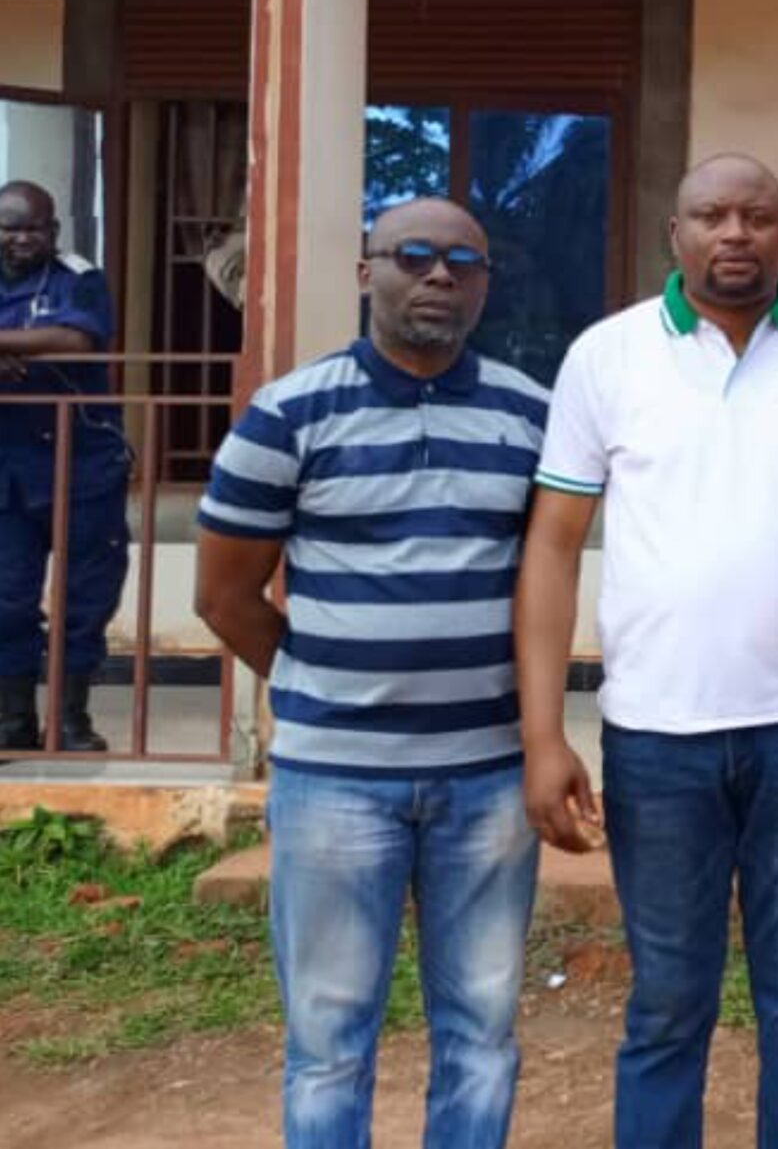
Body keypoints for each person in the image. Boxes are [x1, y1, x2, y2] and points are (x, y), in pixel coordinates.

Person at [515, 152, 778, 1149]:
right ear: (677, 233)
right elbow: (554, 546)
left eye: (757, 216)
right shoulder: (607, 356)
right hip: (657, 735)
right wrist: (544, 734)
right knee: (667, 1001)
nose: (734, 233)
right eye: (711, 214)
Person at [194, 198, 549, 1147]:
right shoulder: (289, 414)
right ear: (367, 273)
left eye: (463, 262)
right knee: (329, 1041)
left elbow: (547, 579)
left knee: (482, 1033)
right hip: (334, 782)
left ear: (485, 284)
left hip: (490, 779)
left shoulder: (530, 415)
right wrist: (323, 682)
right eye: (413, 255)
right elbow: (224, 596)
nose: (439, 275)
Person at [0, 180, 130, 752]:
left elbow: (76, 341)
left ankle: (71, 719)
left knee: (86, 596)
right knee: (7, 598)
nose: (23, 238)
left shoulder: (80, 276)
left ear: (53, 231)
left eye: (36, 227)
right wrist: (21, 348)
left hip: (82, 465)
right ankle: (13, 721)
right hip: (8, 471)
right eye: (11, 228)